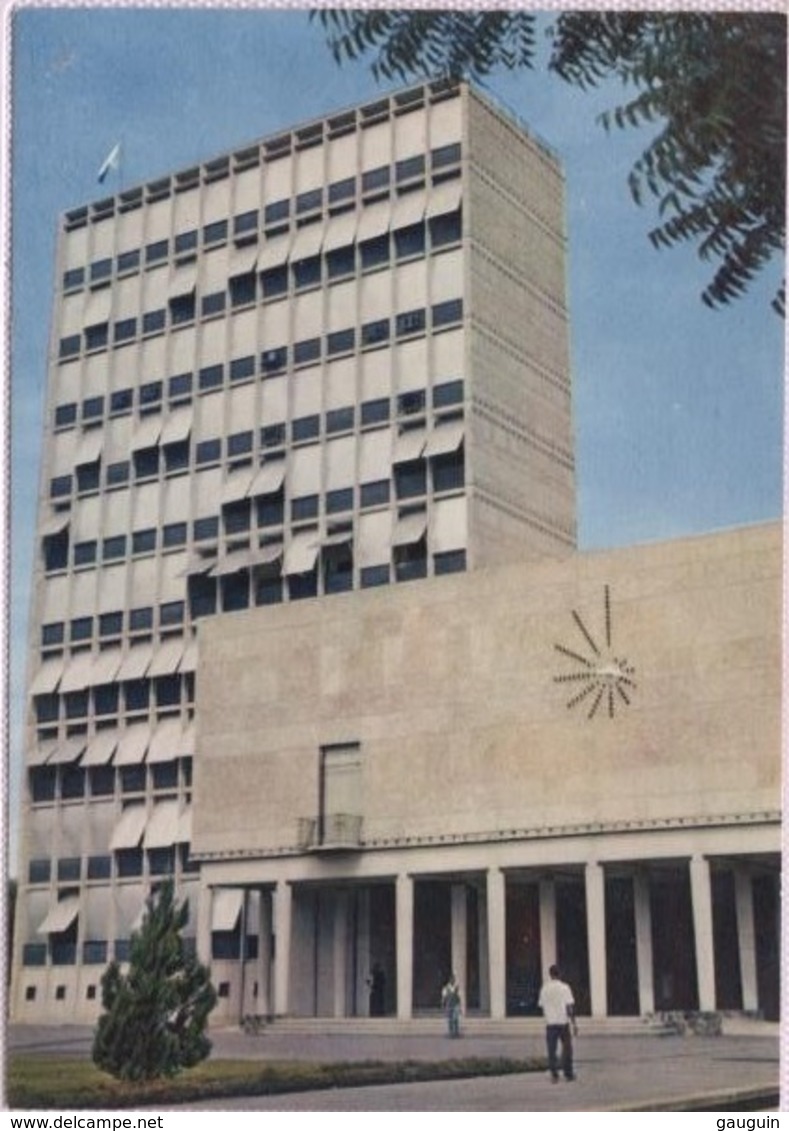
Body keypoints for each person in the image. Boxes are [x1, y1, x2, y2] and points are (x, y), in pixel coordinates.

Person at [537, 964, 578, 1082]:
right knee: (567, 1049)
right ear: (560, 974)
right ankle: (568, 1073)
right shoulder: (565, 988)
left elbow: (541, 1005)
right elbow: (569, 1007)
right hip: (563, 1022)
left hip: (550, 1023)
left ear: (550, 975)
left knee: (551, 1050)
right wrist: (574, 1023)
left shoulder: (544, 989)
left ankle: (554, 1075)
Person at [441, 972, 462, 1037]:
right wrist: (443, 1004)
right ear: (450, 980)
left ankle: (456, 1032)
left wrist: (459, 1006)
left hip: (455, 1004)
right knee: (450, 1019)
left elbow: (458, 997)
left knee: (455, 1018)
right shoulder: (446, 988)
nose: (453, 980)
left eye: (454, 979)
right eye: (452, 979)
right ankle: (451, 1032)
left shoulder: (456, 987)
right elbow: (444, 997)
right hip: (449, 1005)